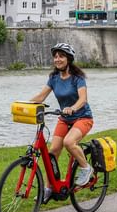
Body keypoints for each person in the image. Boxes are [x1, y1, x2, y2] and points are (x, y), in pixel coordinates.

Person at [30, 43, 95, 196]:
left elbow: (83, 99)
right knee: (52, 153)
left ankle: (86, 168)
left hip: (83, 117)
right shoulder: (53, 78)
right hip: (64, 119)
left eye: (61, 56)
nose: (57, 59)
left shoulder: (77, 78)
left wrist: (72, 107)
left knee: (68, 142)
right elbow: (41, 97)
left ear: (68, 59)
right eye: (55, 56)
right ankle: (49, 188)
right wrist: (24, 104)